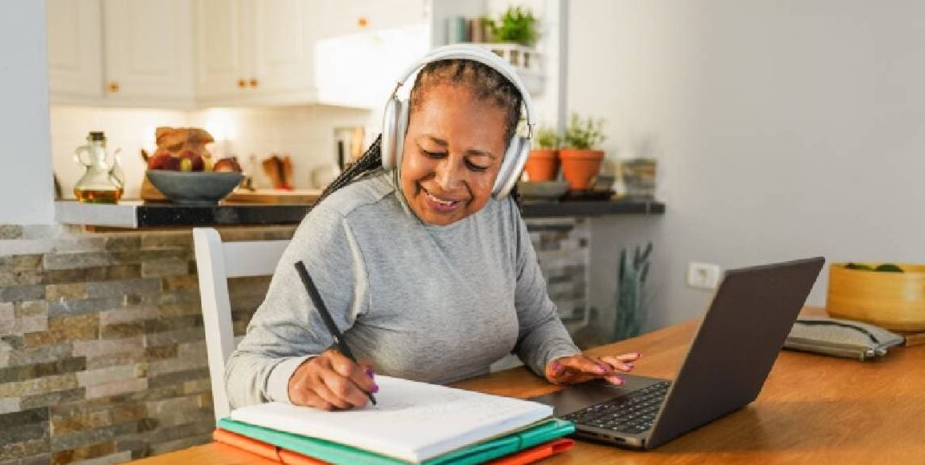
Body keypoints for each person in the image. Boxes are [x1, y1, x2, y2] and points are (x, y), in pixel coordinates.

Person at [225, 46, 640, 411]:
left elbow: (535, 322)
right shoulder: (347, 224)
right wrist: (295, 378)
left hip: (476, 427)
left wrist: (558, 358)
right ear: (396, 137)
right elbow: (245, 369)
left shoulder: (499, 215)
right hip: (384, 449)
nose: (446, 180)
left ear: (507, 166)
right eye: (431, 151)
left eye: (477, 164)